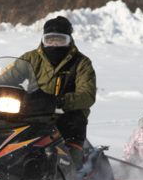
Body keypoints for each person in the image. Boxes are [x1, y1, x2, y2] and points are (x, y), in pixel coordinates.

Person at [20, 16, 96, 165]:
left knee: (74, 122)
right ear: (43, 40)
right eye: (50, 40)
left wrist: (61, 101)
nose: (54, 44)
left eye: (60, 40)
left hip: (67, 114)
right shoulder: (31, 58)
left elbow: (87, 95)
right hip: (34, 111)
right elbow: (7, 76)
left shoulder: (81, 62)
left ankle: (71, 169)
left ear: (69, 40)